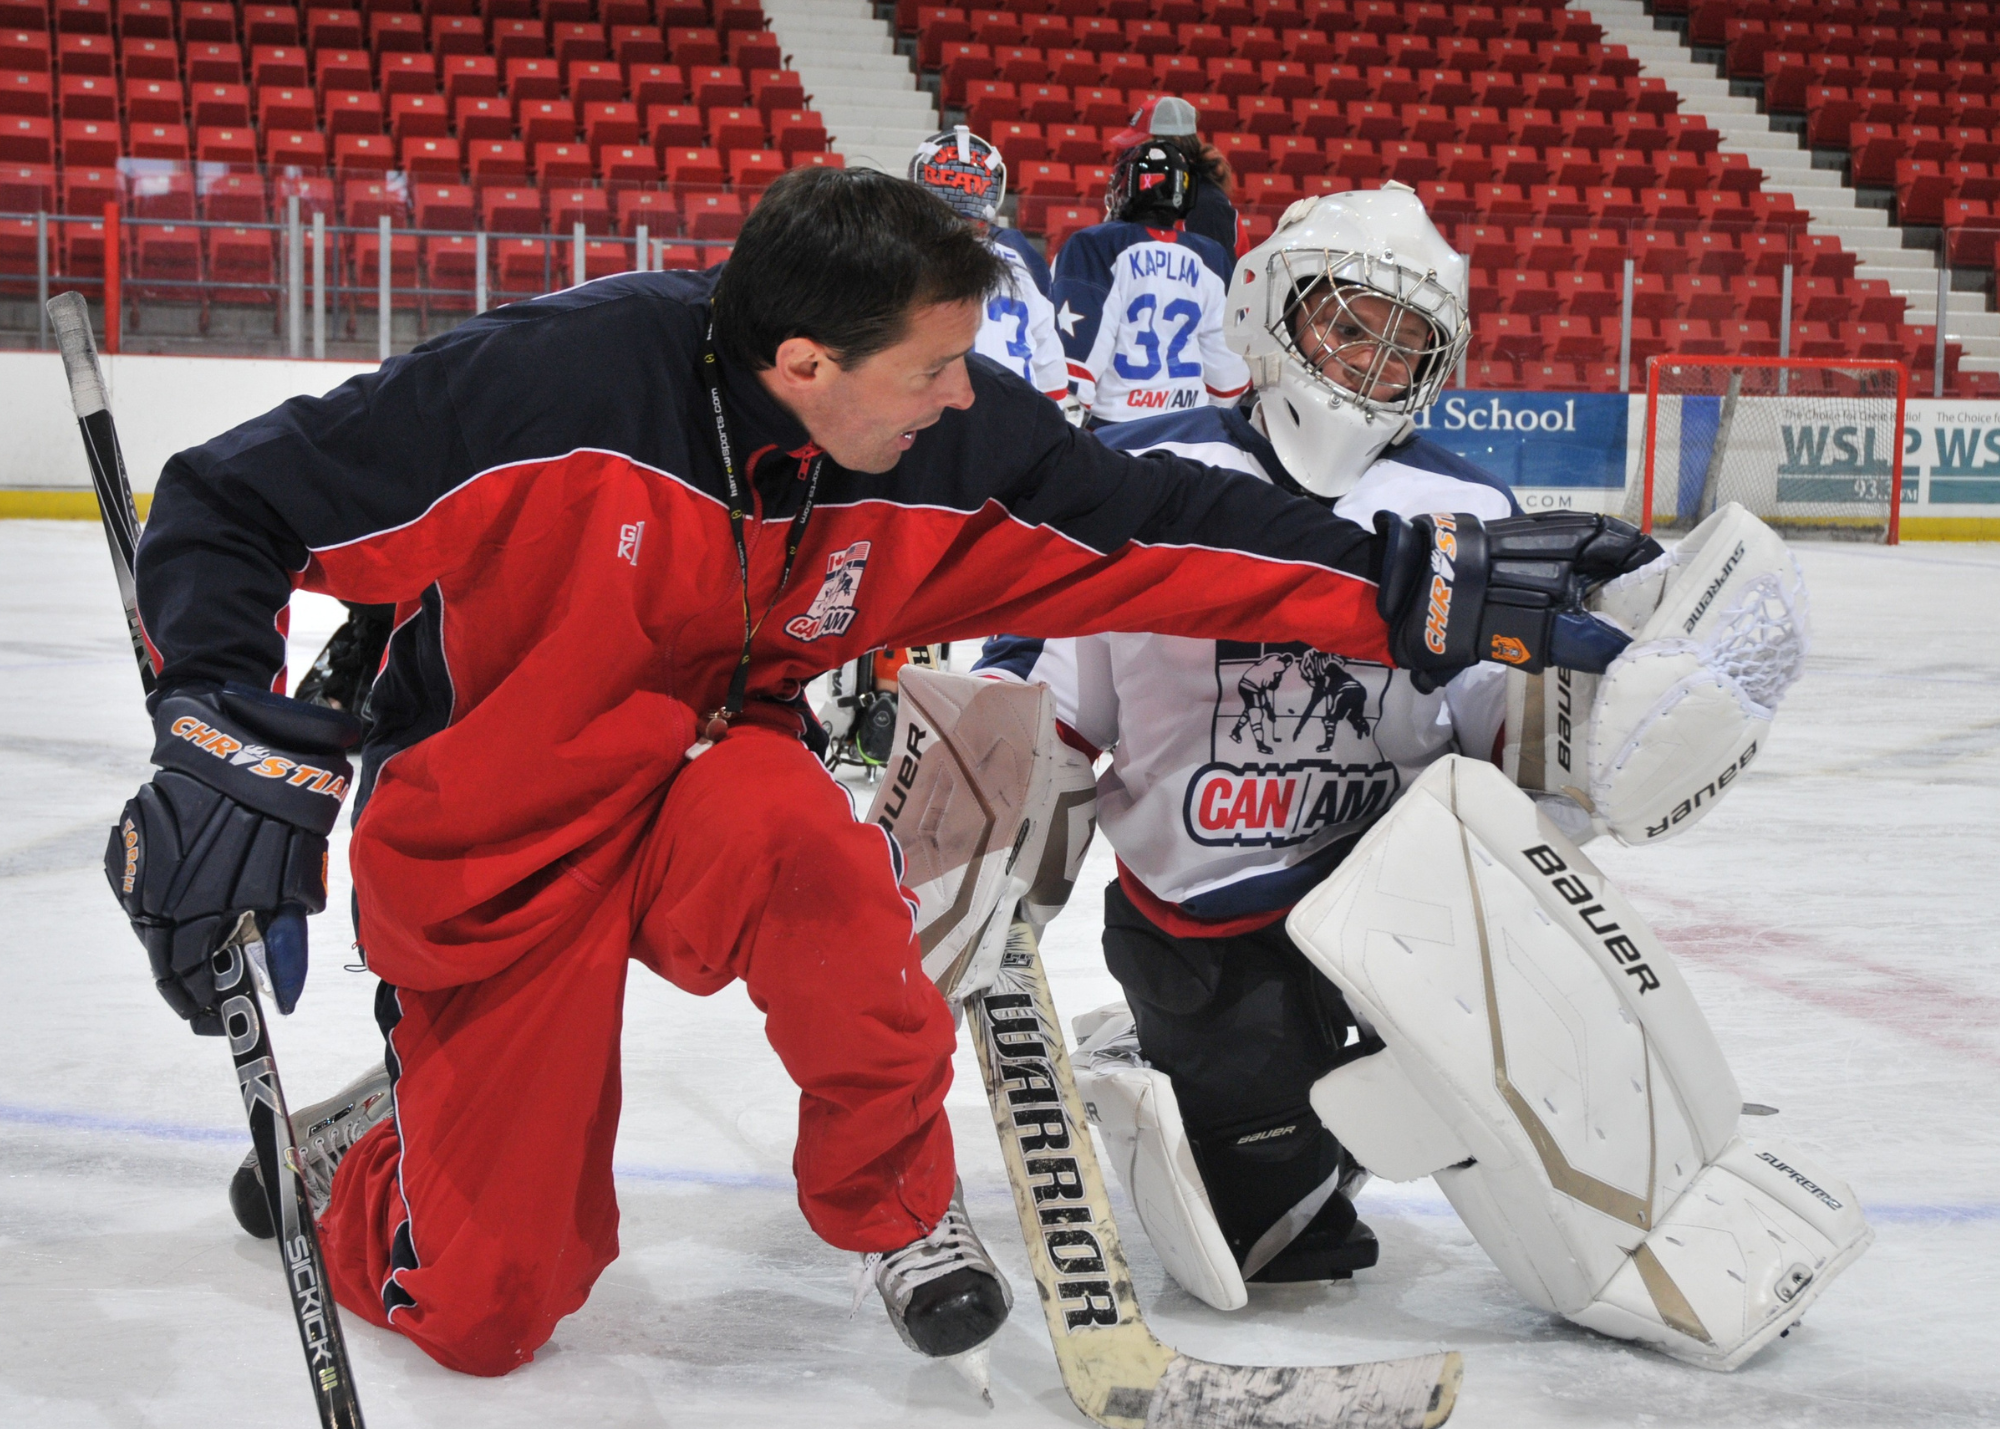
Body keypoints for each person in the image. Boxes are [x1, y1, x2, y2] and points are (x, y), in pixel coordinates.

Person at [104, 167, 1655, 1381]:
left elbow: (1160, 529)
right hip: (499, 829)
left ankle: (897, 1211)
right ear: (802, 363)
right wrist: (220, 732)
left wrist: (1419, 582)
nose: (963, 398)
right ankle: (380, 1166)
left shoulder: (935, 441)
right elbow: (232, 506)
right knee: (499, 1305)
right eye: (932, 370)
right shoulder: (542, 393)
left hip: (708, 784)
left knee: (823, 860)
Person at [976, 186, 1524, 1298]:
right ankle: (1178, 1053)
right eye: (1347, 321)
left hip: (1396, 921)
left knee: (1538, 1127)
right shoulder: (1133, 473)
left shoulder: (1466, 508)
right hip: (1207, 920)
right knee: (1275, 1240)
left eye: (1404, 339)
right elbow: (1044, 699)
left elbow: (1506, 756)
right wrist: (991, 844)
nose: (1371, 362)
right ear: (1266, 309)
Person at [1050, 139, 1251, 427]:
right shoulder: (1211, 257)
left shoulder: (1094, 244)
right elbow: (1230, 381)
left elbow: (1076, 366)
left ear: (1127, 185)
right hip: (1191, 429)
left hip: (1117, 431)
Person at [908, 124, 1066, 402]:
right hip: (1021, 414)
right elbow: (1052, 372)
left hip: (950, 412)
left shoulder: (905, 260)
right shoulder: (1018, 262)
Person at [1104, 95, 1240, 259]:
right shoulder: (1159, 194)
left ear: (1172, 144)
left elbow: (1220, 278)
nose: (1134, 156)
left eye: (1142, 146)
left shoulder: (1206, 203)